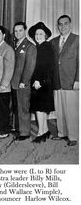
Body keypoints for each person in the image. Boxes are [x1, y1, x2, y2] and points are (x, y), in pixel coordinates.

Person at [51, 15, 79, 146]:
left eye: (65, 24)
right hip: (57, 81)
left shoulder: (77, 40)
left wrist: (78, 80)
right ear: (57, 26)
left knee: (72, 110)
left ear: (70, 24)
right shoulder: (53, 41)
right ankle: (62, 133)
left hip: (71, 81)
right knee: (60, 109)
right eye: (60, 24)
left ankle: (73, 136)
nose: (63, 26)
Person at [28, 22, 55, 143]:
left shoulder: (46, 46)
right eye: (36, 34)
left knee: (39, 108)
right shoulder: (38, 47)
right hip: (39, 82)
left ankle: (41, 132)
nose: (38, 35)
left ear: (45, 36)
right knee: (42, 108)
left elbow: (47, 66)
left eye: (40, 34)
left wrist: (39, 80)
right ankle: (45, 131)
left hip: (42, 82)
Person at [11, 22, 37, 141]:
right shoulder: (15, 45)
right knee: (17, 107)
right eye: (16, 31)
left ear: (25, 31)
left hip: (22, 83)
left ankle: (25, 133)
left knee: (23, 108)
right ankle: (18, 129)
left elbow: (30, 66)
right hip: (14, 82)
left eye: (20, 30)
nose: (17, 33)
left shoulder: (30, 46)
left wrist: (24, 81)